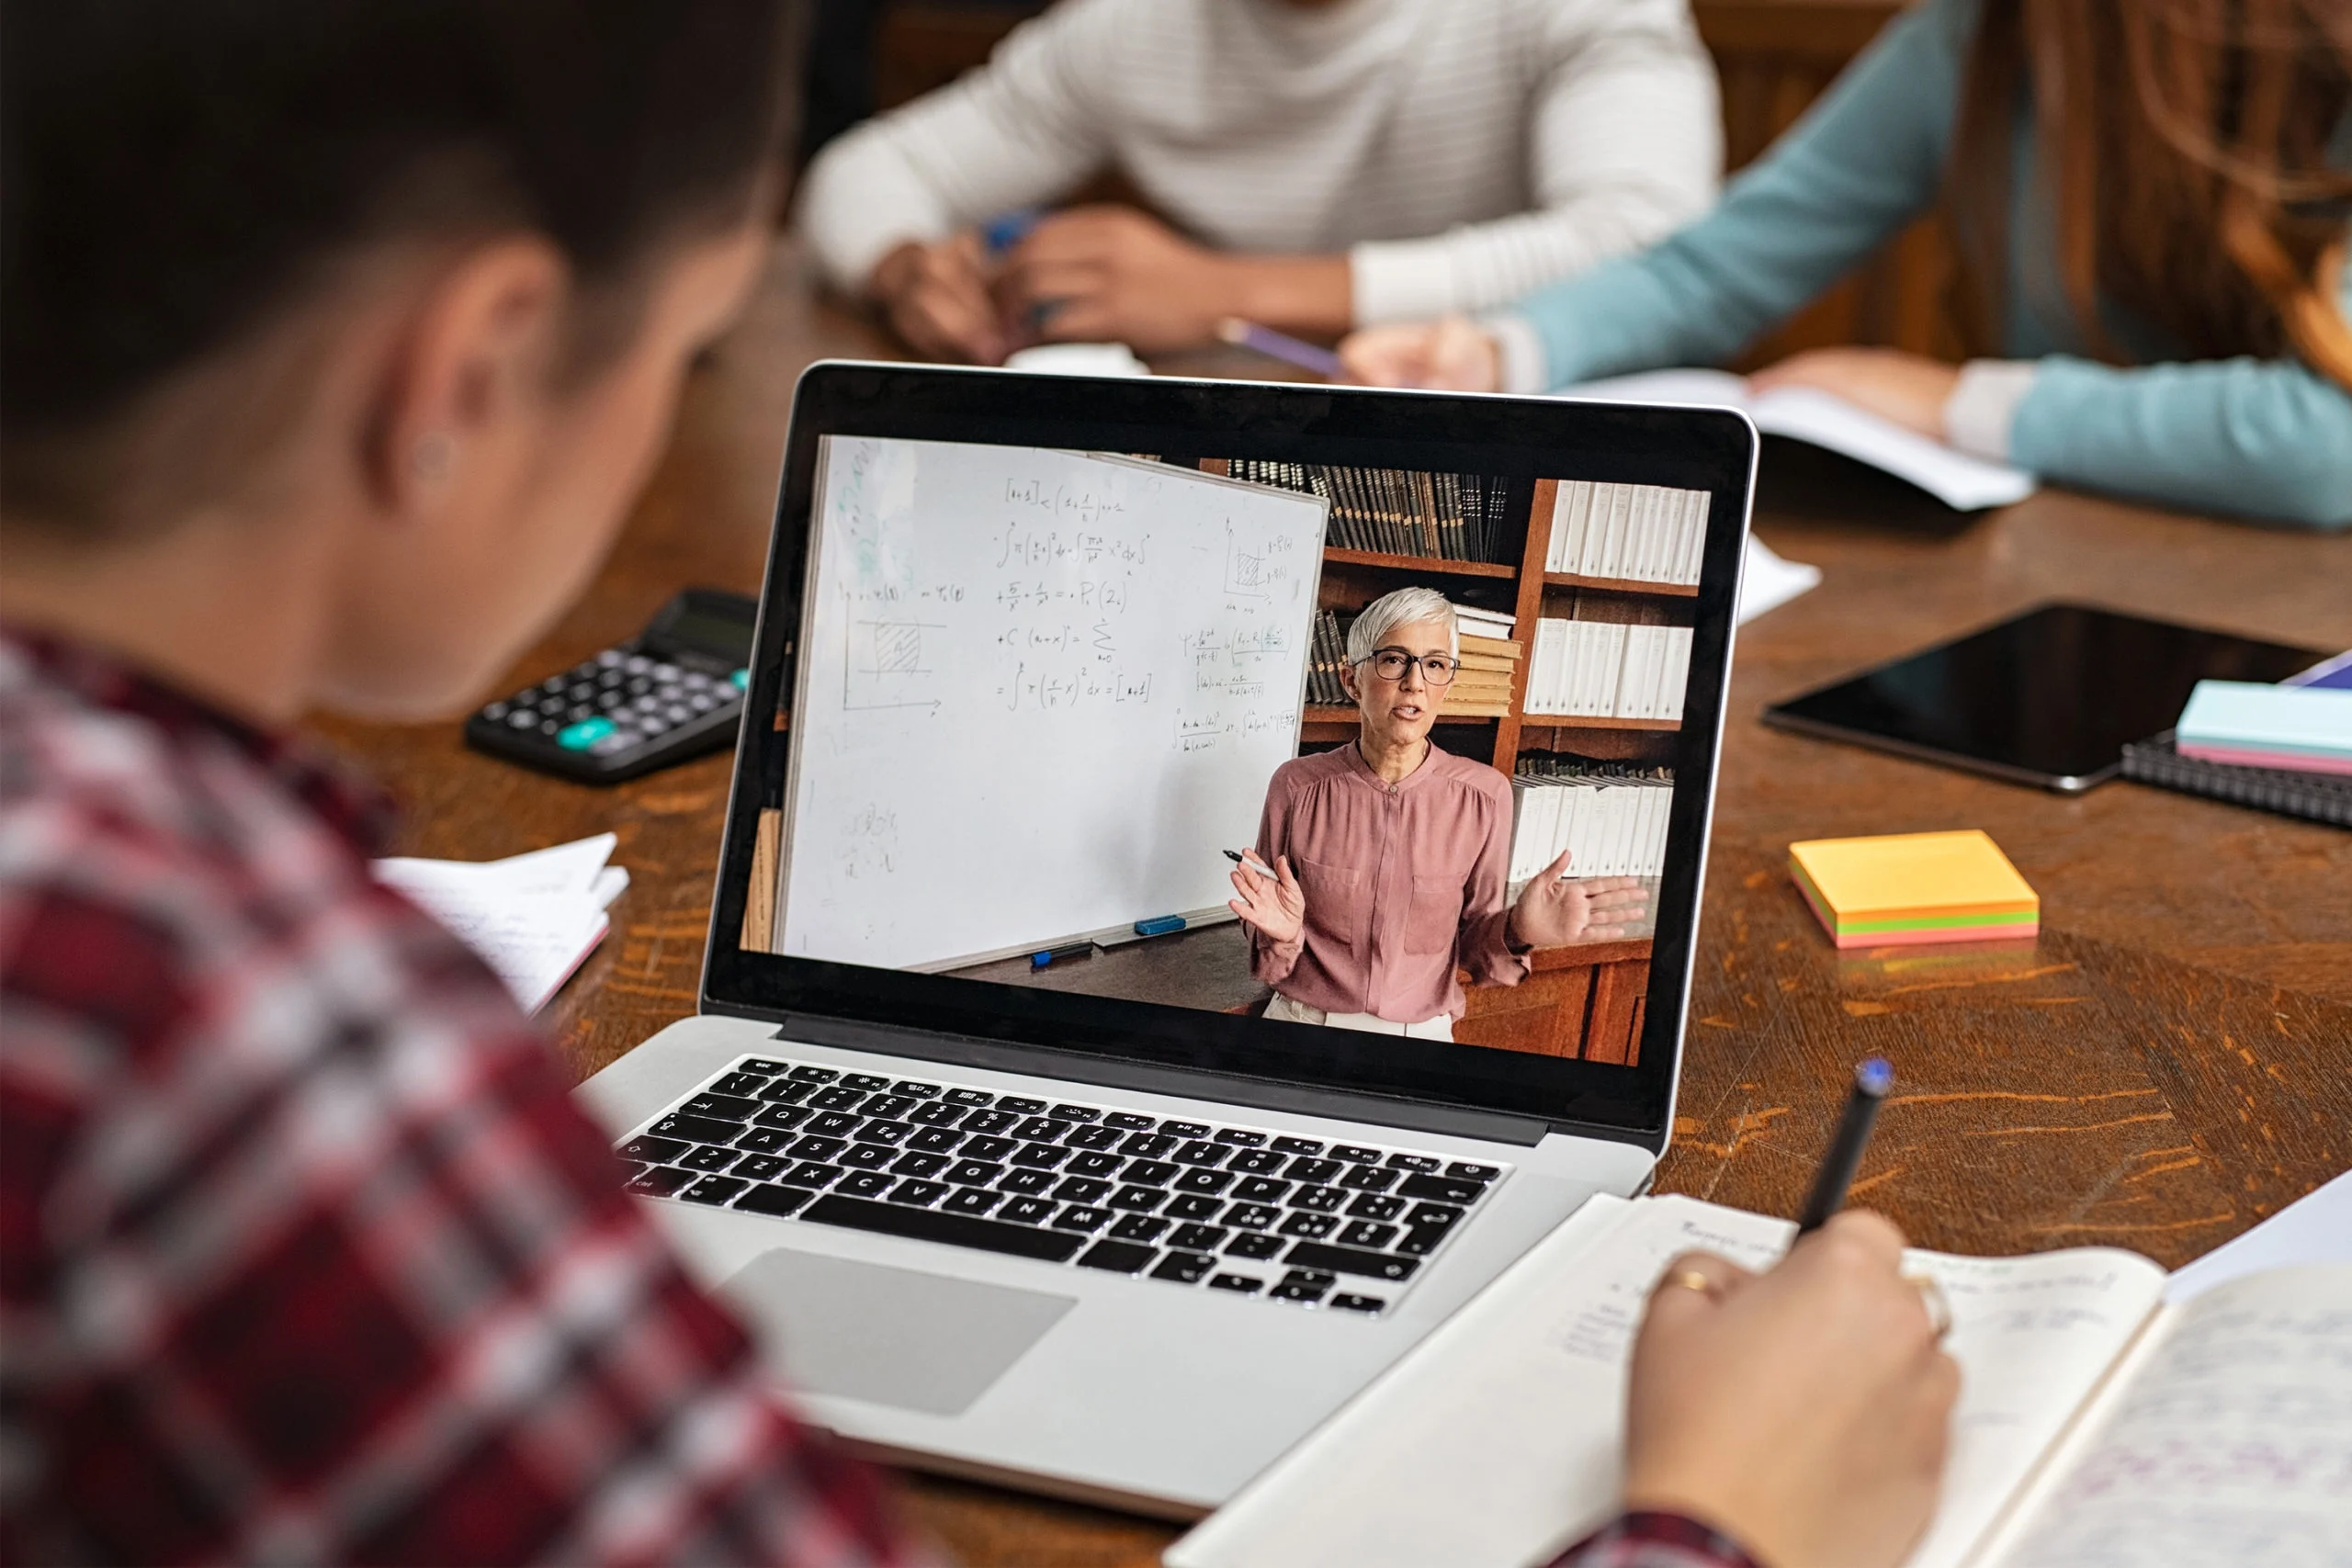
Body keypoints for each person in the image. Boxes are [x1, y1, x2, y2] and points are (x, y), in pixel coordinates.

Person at [0, 4, 1957, 1562]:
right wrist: (1731, 1520)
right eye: (691, 352)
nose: (1409, 687)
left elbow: (1463, 961)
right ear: (464, 379)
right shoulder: (248, 1040)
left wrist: (1504, 944)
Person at [1340, 0, 2352, 530]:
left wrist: (1959, 400)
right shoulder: (1985, 34)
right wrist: (1504, 349)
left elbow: (2326, 444)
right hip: (2054, 590)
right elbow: (1723, 261)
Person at [797, 0, 1721, 364]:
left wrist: (1224, 293)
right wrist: (906, 267)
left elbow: (1653, 244)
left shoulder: (1577, 11)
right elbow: (864, 170)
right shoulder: (1129, 26)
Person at [1229, 588, 1647, 1039]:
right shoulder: (1296, 786)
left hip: (1421, 1035)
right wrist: (1283, 933)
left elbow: (1475, 949)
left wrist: (1520, 929)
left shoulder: (1485, 796)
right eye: (1393, 660)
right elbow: (1269, 954)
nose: (1415, 683)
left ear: (1448, 682)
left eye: (1435, 665)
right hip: (1302, 1022)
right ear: (1352, 681)